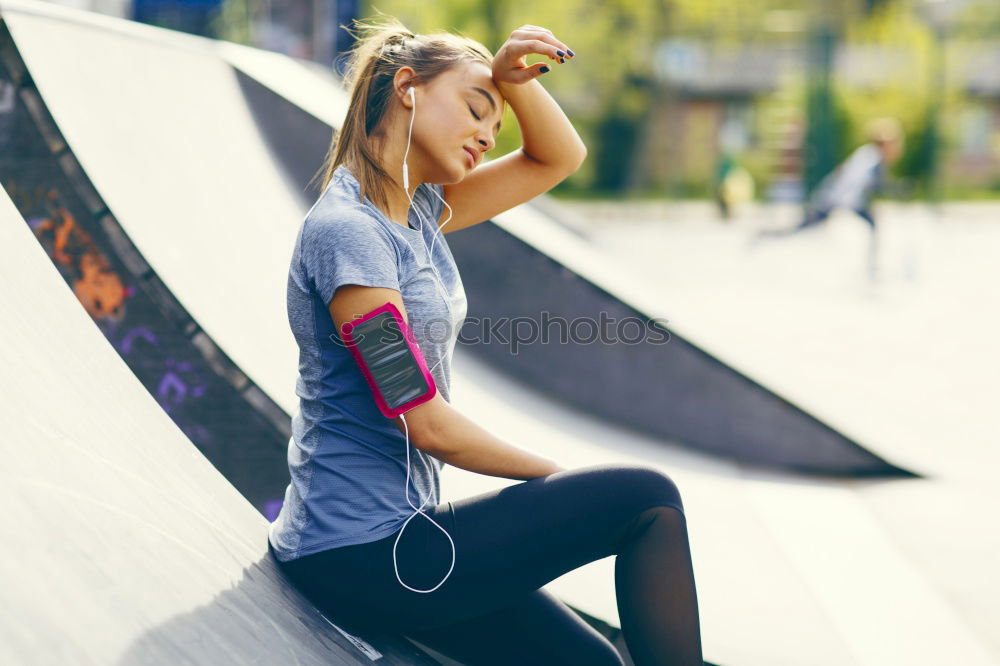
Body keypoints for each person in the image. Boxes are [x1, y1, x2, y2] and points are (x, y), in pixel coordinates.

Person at [266, 14, 704, 666]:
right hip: (362, 555)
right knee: (647, 499)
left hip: (402, 541)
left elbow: (557, 157)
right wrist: (563, 484)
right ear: (408, 87)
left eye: (495, 125)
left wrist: (509, 80)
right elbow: (422, 420)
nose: (485, 134)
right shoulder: (349, 233)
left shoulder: (417, 214)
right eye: (476, 108)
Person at [755, 117, 905, 280]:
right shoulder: (872, 158)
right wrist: (898, 189)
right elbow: (875, 184)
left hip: (846, 200)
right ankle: (766, 235)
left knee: (872, 225)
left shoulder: (868, 154)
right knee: (802, 227)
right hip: (835, 200)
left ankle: (872, 265)